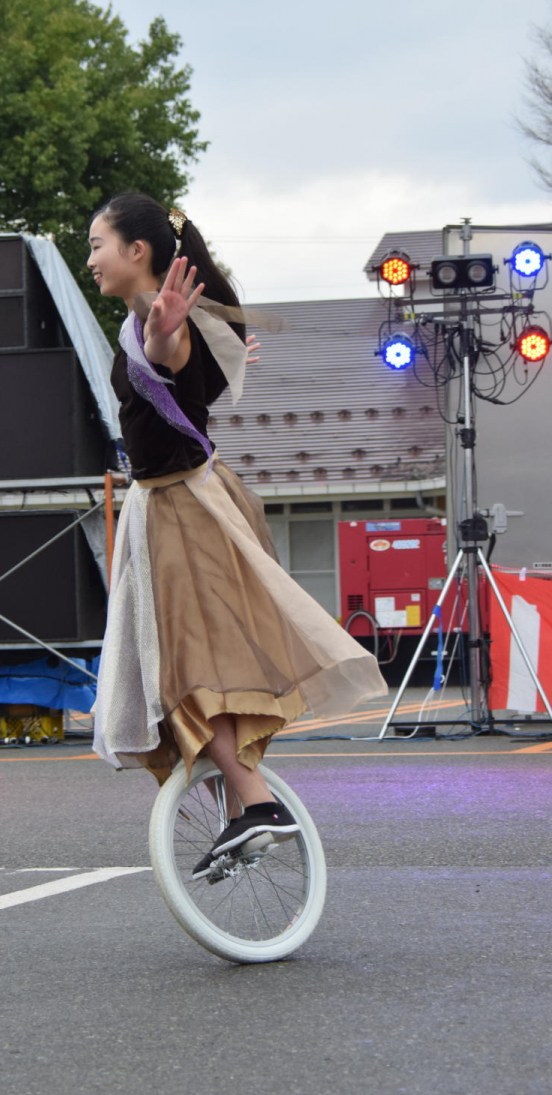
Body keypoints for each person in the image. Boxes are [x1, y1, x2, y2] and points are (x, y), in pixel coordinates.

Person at [87, 192, 387, 876]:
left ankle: (254, 803)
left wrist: (167, 337)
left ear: (138, 251)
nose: (91, 258)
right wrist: (187, 345)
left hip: (182, 514)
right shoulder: (159, 320)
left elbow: (164, 357)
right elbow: (179, 387)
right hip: (178, 506)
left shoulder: (157, 322)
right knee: (186, 671)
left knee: (191, 673)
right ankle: (237, 814)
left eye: (98, 244)